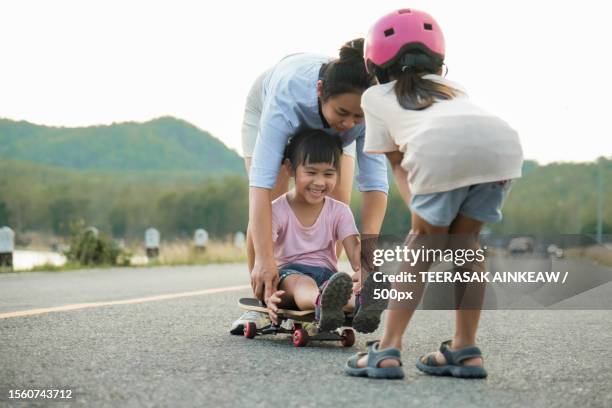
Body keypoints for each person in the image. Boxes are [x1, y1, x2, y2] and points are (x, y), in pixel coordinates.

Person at [345, 9, 523, 379]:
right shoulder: (453, 88)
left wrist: (424, 229)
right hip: (502, 146)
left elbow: (398, 163)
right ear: (438, 59)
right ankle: (465, 348)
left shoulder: (376, 97)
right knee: (468, 245)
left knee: (421, 247)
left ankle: (388, 349)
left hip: (438, 150)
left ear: (374, 62)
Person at [230, 39, 390, 334]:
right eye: (343, 114)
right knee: (275, 201)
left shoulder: (363, 114)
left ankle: (336, 297)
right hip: (270, 107)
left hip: (331, 112)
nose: (349, 123)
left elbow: (375, 185)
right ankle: (264, 296)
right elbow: (260, 187)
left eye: (358, 117)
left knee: (336, 203)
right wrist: (266, 260)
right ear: (320, 91)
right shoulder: (287, 98)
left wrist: (366, 260)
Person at [264, 128, 386, 333]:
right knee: (303, 284)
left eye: (329, 174)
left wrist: (365, 264)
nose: (320, 182)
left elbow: (354, 252)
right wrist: (266, 293)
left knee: (341, 288)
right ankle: (322, 303)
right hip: (288, 274)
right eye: (311, 172)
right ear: (291, 169)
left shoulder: (339, 211)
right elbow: (265, 250)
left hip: (328, 278)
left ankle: (362, 303)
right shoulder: (277, 209)